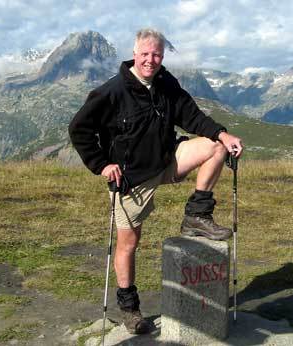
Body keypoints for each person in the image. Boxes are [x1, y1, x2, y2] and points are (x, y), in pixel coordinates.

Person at [69, 28, 243, 335]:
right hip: (131, 177)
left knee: (215, 146)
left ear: (163, 56)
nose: (151, 60)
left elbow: (192, 116)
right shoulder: (112, 92)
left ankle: (197, 214)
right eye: (146, 54)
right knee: (129, 243)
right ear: (135, 53)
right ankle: (130, 309)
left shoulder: (166, 83)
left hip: (167, 159)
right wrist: (101, 165)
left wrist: (223, 134)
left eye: (157, 54)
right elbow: (79, 128)